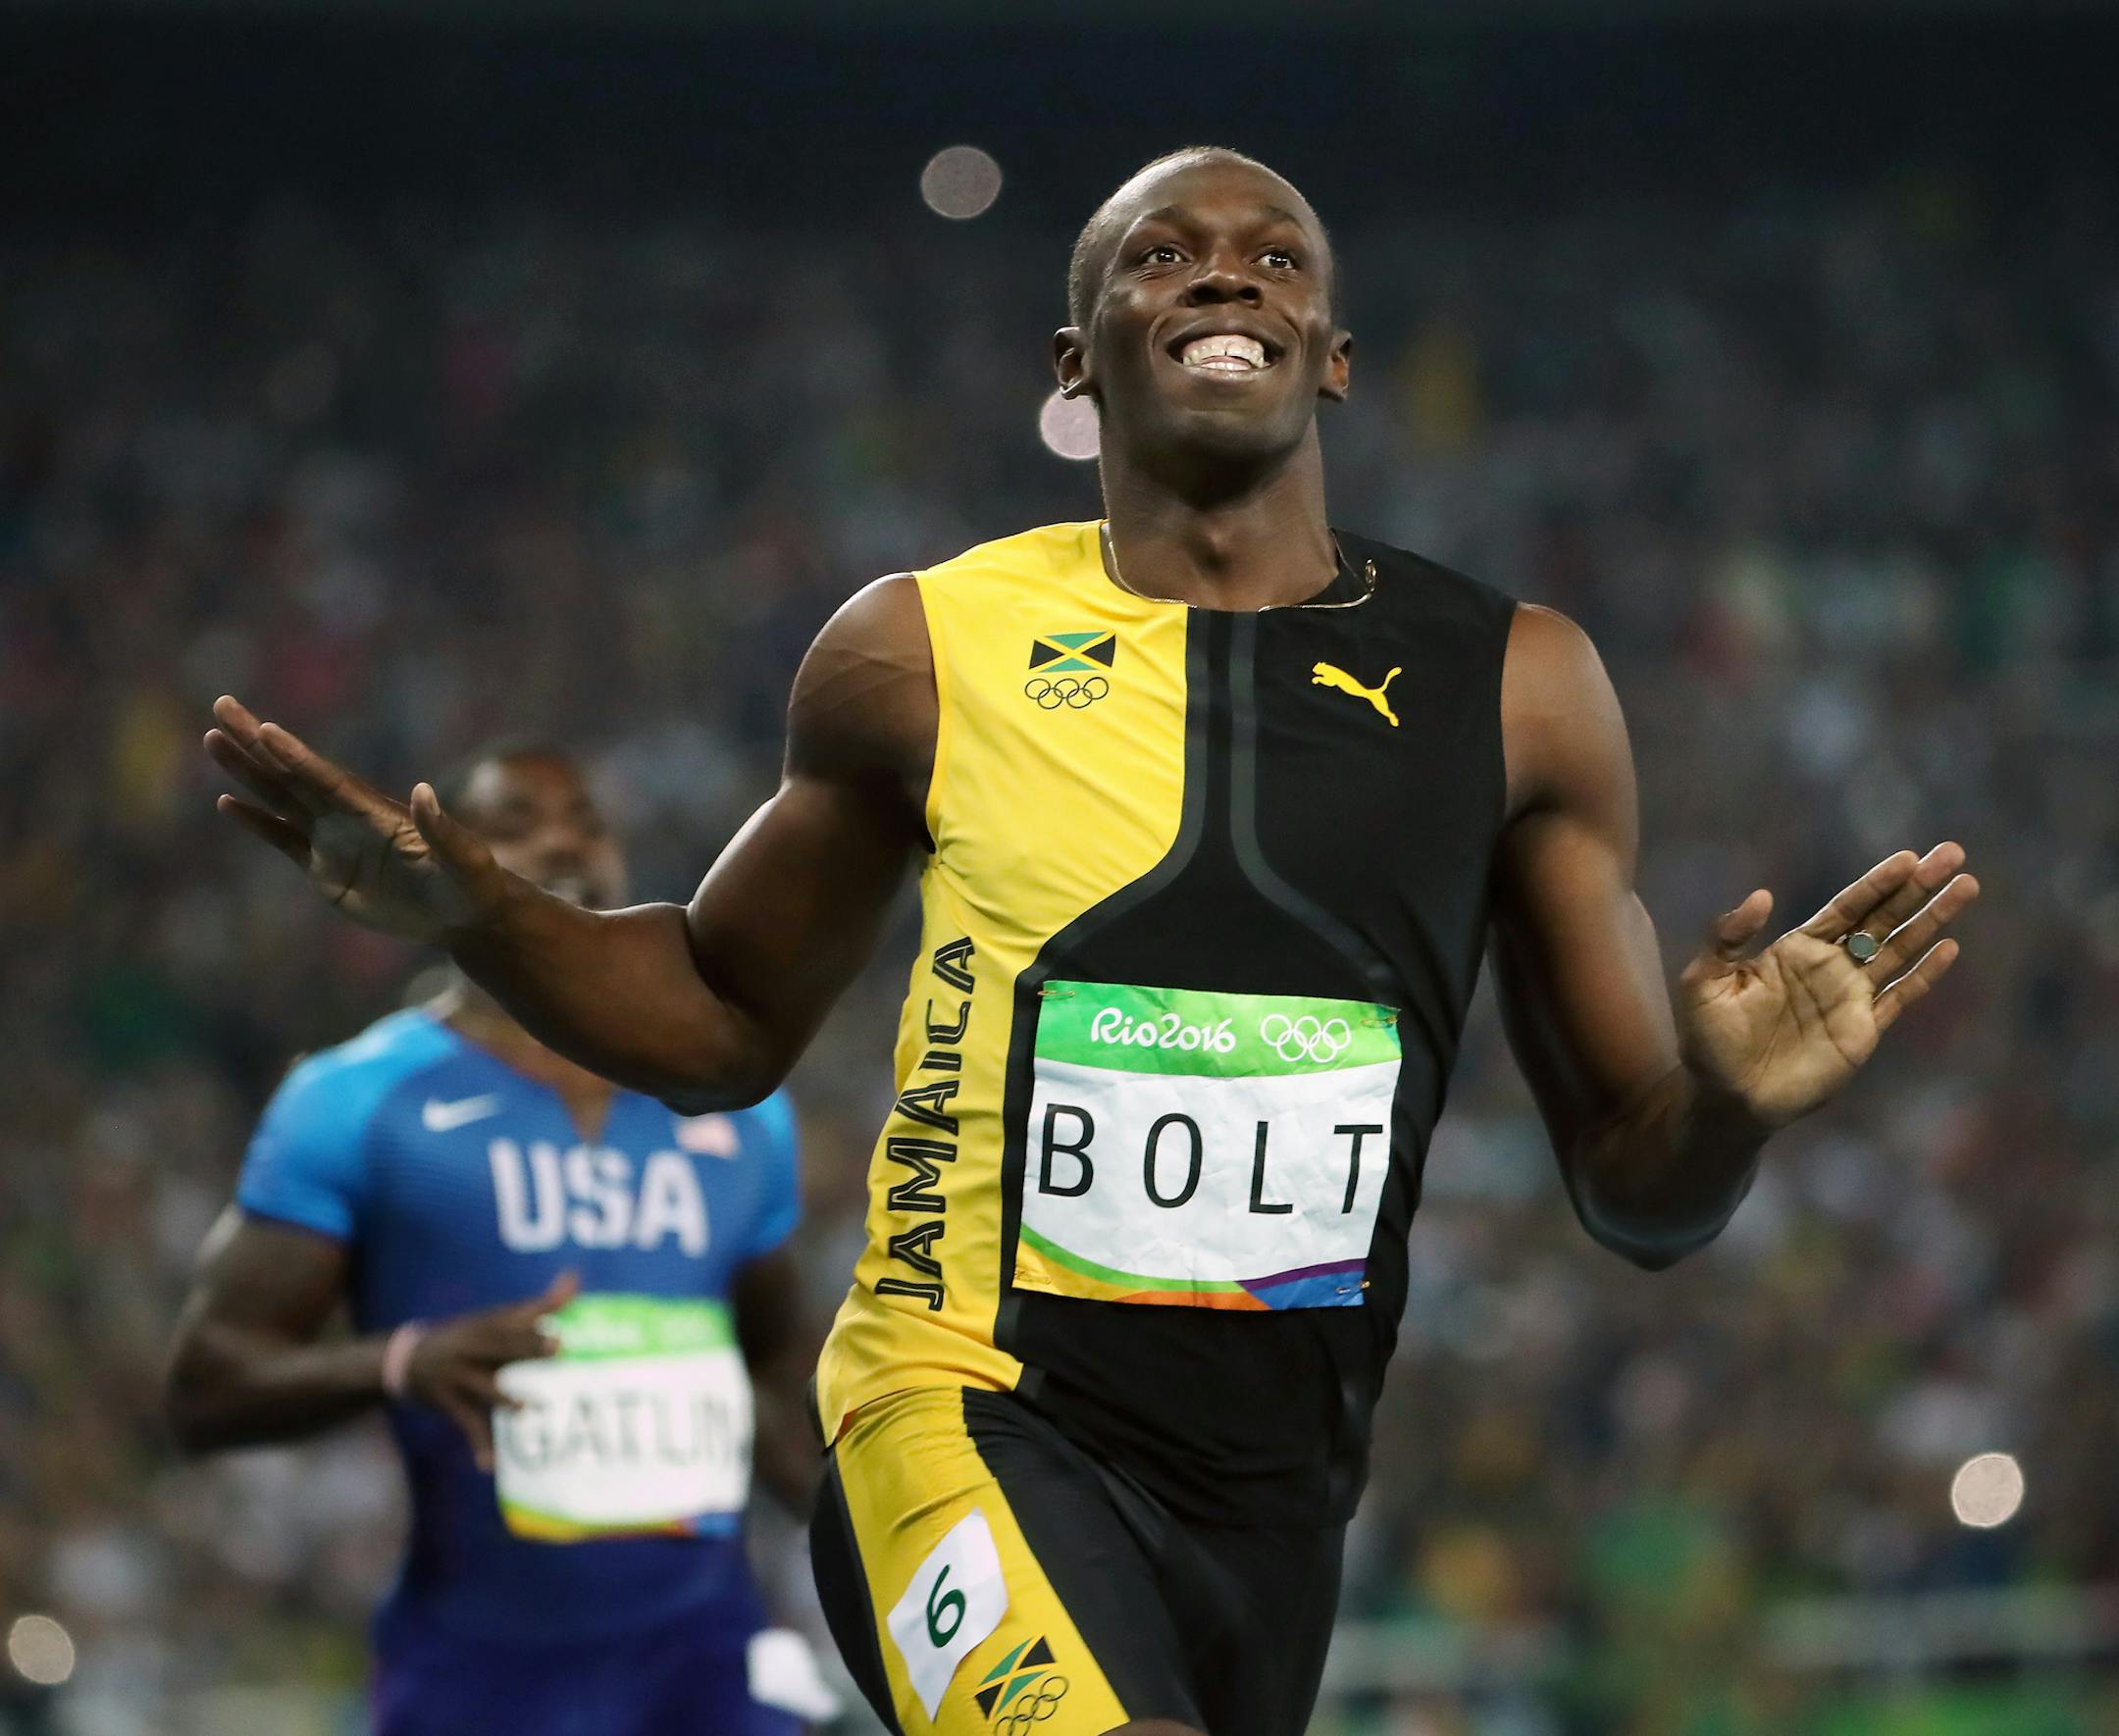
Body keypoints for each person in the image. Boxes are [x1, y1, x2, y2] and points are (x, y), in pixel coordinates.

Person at [200, 146, 1979, 1736]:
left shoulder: (1520, 689)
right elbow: (720, 1016)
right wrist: (470, 909)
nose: (1224, 274)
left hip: (1276, 1508)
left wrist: (1729, 1107)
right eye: (1161, 255)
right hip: (960, 1415)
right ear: (1078, 363)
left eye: (1276, 257)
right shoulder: (919, 652)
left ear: (1334, 358)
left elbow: (1639, 1199)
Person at [167, 743, 828, 1736]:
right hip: (479, 1677)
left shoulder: (739, 1108)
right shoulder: (353, 1101)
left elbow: (776, 1376)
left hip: (707, 1668)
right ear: (449, 856)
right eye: (517, 820)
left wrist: (886, 1564)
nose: (564, 839)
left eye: (589, 822)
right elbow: (207, 1388)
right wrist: (399, 1361)